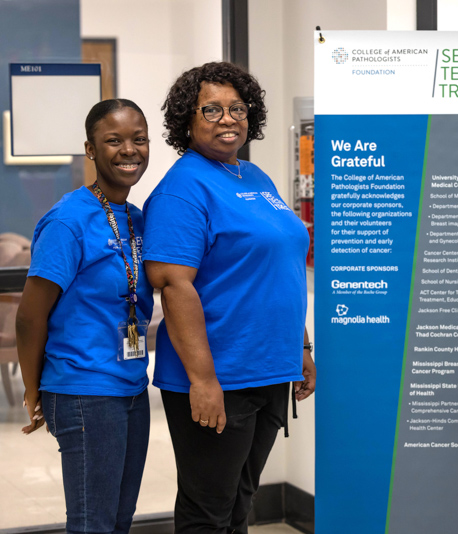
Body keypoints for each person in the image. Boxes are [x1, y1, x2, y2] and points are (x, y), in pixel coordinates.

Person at [143, 61, 316, 533]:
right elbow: (174, 287)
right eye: (212, 109)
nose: (228, 119)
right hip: (218, 374)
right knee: (208, 509)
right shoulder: (183, 188)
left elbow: (277, 269)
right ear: (187, 119)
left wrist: (300, 347)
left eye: (237, 108)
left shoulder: (254, 177)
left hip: (266, 368)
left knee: (241, 501)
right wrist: (202, 381)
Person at [16, 99, 153, 533]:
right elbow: (30, 316)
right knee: (94, 523)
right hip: (83, 391)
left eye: (139, 139)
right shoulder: (68, 221)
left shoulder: (136, 219)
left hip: (131, 385)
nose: (129, 150)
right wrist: (34, 389)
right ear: (91, 150)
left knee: (119, 520)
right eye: (114, 140)